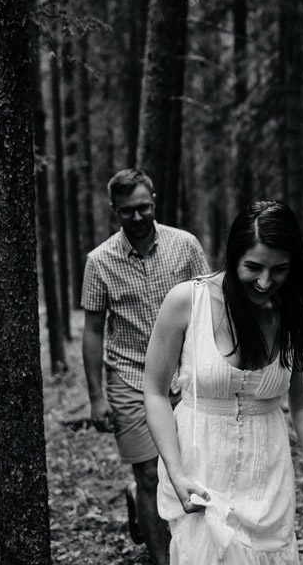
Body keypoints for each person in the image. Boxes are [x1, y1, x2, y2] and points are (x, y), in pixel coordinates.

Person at [144, 200, 303, 564]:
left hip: (267, 482)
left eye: (279, 270)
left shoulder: (294, 315)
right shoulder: (187, 301)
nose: (265, 282)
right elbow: (155, 391)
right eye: (253, 267)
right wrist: (175, 473)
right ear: (233, 256)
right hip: (200, 472)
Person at [81, 169, 210, 565]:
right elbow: (93, 332)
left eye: (143, 208)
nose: (137, 218)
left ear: (154, 200)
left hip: (184, 374)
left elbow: (208, 304)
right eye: (127, 211)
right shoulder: (99, 261)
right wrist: (97, 398)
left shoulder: (185, 245)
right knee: (151, 476)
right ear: (114, 210)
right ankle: (161, 558)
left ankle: (193, 544)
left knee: (191, 466)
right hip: (131, 377)